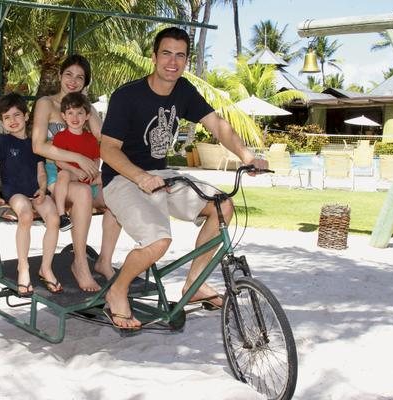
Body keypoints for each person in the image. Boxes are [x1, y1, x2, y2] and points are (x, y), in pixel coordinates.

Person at [99, 27, 268, 330]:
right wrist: (140, 177)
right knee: (158, 241)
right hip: (122, 178)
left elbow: (217, 125)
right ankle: (117, 290)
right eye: (166, 53)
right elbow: (108, 150)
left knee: (223, 206)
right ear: (153, 56)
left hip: (161, 175)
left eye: (180, 55)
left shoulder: (184, 91)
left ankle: (195, 284)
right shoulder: (127, 96)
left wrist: (247, 157)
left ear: (187, 61)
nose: (172, 62)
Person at [31, 54, 120, 292]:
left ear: (85, 83)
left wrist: (90, 111)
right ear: (60, 75)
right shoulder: (46, 104)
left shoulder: (84, 109)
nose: (73, 80)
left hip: (85, 173)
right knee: (81, 193)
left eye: (80, 77)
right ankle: (80, 264)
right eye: (68, 74)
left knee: (117, 197)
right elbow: (38, 146)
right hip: (56, 172)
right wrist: (76, 158)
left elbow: (103, 141)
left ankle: (104, 261)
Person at [0, 93, 62, 296]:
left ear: (27, 116)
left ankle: (46, 268)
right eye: (7, 117)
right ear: (2, 122)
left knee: (54, 218)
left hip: (35, 191)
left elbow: (41, 171)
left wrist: (42, 188)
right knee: (26, 214)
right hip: (15, 192)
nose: (13, 121)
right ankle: (23, 267)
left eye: (17, 115)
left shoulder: (34, 143)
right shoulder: (3, 142)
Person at [52, 92, 103, 231]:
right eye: (70, 113)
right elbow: (59, 162)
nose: (75, 117)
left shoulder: (91, 138)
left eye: (79, 113)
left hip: (89, 177)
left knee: (109, 176)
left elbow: (96, 158)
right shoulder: (61, 137)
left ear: (87, 116)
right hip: (71, 176)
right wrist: (76, 170)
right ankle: (61, 214)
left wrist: (92, 171)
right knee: (63, 174)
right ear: (64, 116)